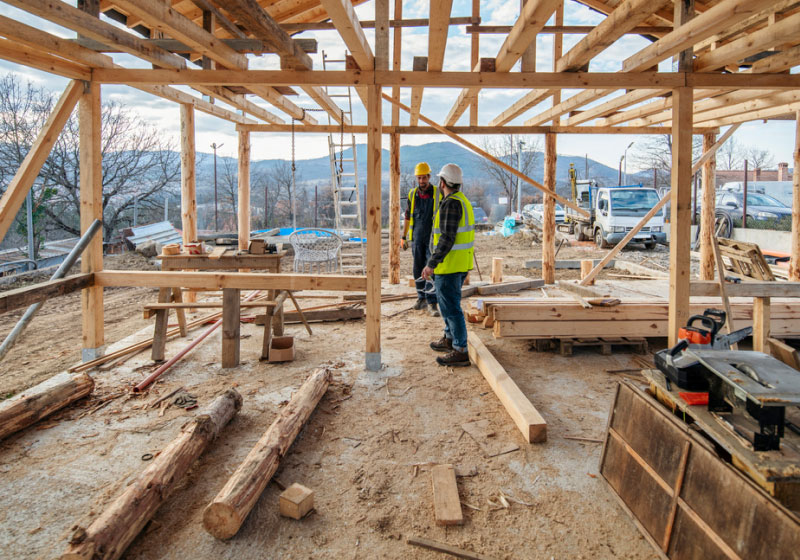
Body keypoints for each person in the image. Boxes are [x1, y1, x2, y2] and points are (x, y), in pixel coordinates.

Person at [422, 163, 474, 367]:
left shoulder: (451, 203)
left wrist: (431, 264)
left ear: (442, 182)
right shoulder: (461, 200)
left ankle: (460, 349)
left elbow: (447, 238)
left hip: (449, 266)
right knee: (447, 306)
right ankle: (449, 338)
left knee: (451, 308)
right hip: (456, 264)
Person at [402, 161, 440, 316]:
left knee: (430, 270)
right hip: (417, 238)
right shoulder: (412, 194)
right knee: (418, 269)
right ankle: (421, 298)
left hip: (432, 239)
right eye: (419, 178)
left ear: (429, 177)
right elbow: (407, 217)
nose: (421, 181)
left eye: (424, 178)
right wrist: (403, 237)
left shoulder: (438, 193)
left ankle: (432, 303)